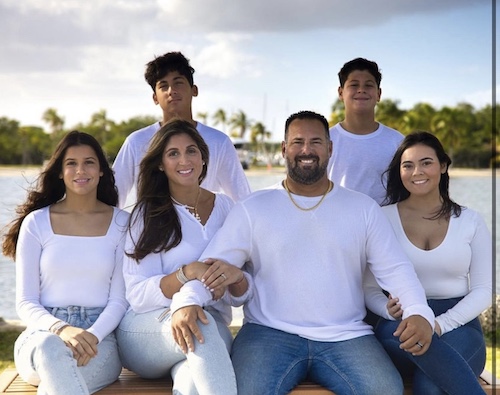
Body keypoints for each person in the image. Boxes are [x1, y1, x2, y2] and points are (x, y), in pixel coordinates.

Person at [182, 110, 435, 394]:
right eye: (297, 142)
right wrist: (189, 299)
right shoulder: (252, 208)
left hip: (346, 335)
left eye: (316, 142)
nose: (306, 150)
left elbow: (395, 269)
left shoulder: (363, 209)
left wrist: (418, 311)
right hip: (268, 334)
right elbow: (214, 267)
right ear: (284, 149)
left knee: (386, 390)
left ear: (329, 148)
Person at [115, 119, 251, 395]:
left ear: (203, 158)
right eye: (173, 153)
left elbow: (240, 293)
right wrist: (187, 273)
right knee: (202, 328)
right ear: (160, 164)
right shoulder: (146, 214)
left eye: (191, 151)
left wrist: (237, 280)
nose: (184, 159)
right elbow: (138, 296)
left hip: (211, 325)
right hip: (149, 329)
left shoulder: (228, 208)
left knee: (190, 383)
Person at [1, 131, 129, 395]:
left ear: (102, 171)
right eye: (71, 163)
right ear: (60, 171)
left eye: (89, 162)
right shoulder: (36, 223)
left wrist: (92, 335)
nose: (80, 170)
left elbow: (120, 300)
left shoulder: (122, 223)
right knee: (51, 350)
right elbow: (26, 302)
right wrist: (62, 329)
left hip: (100, 338)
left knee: (57, 384)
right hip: (42, 334)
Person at [364, 131, 491, 395]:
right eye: (407, 165)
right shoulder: (381, 218)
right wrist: (387, 310)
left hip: (459, 323)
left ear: (443, 166)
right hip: (399, 323)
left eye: (426, 163)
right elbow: (368, 289)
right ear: (399, 171)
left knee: (430, 386)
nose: (416, 172)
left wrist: (438, 324)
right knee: (427, 365)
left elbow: (484, 290)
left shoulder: (471, 221)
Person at [113, 51, 251, 208]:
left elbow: (243, 199)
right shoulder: (136, 142)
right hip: (153, 229)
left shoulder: (219, 141)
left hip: (206, 229)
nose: (171, 90)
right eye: (163, 86)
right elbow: (113, 197)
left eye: (178, 82)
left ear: (194, 90)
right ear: (155, 98)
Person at [327, 57, 404, 204]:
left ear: (379, 94)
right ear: (341, 93)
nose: (361, 90)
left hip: (384, 224)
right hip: (336, 224)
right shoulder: (325, 140)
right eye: (354, 85)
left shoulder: (397, 142)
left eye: (368, 85)